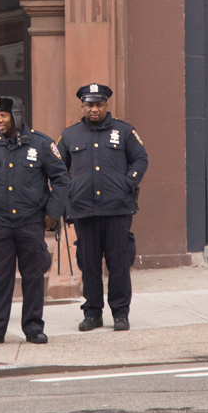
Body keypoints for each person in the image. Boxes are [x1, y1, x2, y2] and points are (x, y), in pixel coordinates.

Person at [0, 96, 70, 346]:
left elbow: (62, 179)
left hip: (31, 223)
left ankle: (33, 328)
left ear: (17, 116)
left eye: (4, 116)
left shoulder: (42, 144)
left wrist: (53, 213)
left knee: (33, 277)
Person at [57, 84, 149, 332]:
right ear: (82, 106)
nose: (94, 109)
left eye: (99, 105)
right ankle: (93, 313)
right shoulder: (69, 136)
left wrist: (127, 183)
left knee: (119, 263)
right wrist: (70, 191)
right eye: (90, 105)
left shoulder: (125, 131)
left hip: (117, 208)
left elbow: (141, 158)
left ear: (107, 105)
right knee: (89, 265)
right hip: (83, 210)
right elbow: (57, 169)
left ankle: (120, 313)